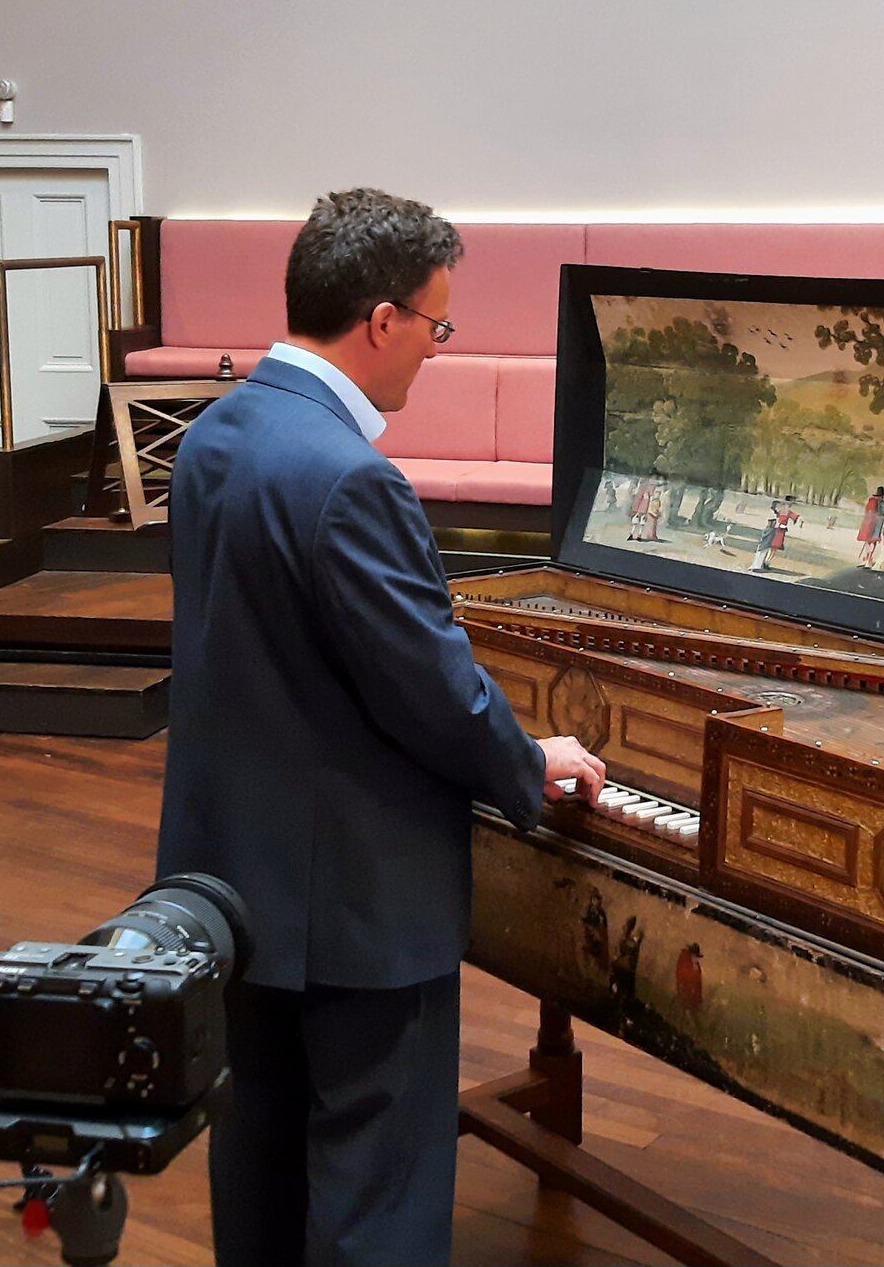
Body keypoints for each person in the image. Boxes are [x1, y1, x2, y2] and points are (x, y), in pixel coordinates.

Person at [157, 188, 609, 1267]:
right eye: (437, 327)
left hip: (228, 887)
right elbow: (431, 692)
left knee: (259, 1168)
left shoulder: (214, 434)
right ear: (381, 322)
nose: (435, 353)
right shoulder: (351, 479)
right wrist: (524, 759)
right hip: (354, 907)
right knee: (375, 1199)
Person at [856, 485, 884, 567]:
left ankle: (866, 558)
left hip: (868, 522)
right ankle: (869, 558)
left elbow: (866, 511)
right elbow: (882, 514)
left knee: (867, 540)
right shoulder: (881, 502)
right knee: (873, 540)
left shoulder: (871, 500)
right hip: (877, 523)